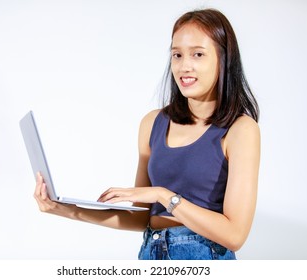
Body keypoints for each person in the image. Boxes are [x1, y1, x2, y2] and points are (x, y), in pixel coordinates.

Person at [34, 8, 260, 260]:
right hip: (151, 253)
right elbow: (142, 216)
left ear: (223, 59)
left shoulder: (240, 129)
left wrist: (163, 195)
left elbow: (235, 235)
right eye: (177, 55)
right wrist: (66, 209)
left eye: (198, 54)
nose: (184, 66)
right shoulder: (153, 123)